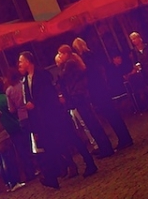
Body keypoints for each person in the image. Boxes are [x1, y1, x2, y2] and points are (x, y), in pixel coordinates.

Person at [18, 50, 97, 189]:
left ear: (28, 61)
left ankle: (89, 162)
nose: (19, 64)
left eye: (21, 61)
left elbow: (48, 96)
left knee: (72, 139)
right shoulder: (26, 81)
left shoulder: (42, 75)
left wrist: (34, 103)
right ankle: (52, 177)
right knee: (50, 147)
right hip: (42, 120)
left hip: (54, 116)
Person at [72, 37, 133, 150]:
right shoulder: (93, 55)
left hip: (97, 91)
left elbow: (88, 76)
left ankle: (124, 139)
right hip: (103, 88)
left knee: (111, 115)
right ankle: (125, 137)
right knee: (114, 114)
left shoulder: (85, 59)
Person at [55, 44, 114, 158]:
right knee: (91, 122)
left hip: (79, 96)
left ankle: (105, 147)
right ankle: (105, 146)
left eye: (61, 53)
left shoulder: (69, 64)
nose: (60, 56)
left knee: (91, 122)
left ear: (66, 53)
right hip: (81, 95)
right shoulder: (74, 62)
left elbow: (62, 77)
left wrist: (61, 66)